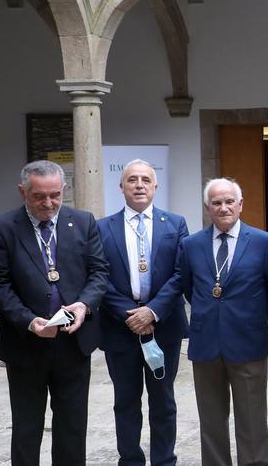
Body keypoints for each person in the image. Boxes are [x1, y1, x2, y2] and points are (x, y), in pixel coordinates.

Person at [0, 160, 109, 465]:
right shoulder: (1, 228)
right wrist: (29, 321)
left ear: (64, 190)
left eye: (55, 195)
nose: (49, 203)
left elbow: (99, 272)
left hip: (72, 341)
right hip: (26, 343)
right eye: (39, 196)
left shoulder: (83, 222)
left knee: (72, 425)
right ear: (22, 191)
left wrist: (83, 305)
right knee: (27, 426)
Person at [154, 177, 268, 466]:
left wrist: (247, 318)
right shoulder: (191, 244)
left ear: (240, 205)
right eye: (217, 202)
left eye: (229, 201)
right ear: (208, 207)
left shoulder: (264, 242)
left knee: (252, 423)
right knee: (211, 423)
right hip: (206, 343)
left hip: (247, 343)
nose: (223, 208)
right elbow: (188, 287)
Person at [98, 159, 189, 466]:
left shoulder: (175, 224)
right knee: (125, 401)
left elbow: (180, 274)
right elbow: (99, 276)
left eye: (145, 180)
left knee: (163, 400)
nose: (139, 185)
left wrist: (152, 312)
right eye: (132, 180)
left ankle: (164, 461)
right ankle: (131, 460)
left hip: (163, 328)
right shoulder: (101, 228)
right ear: (121, 186)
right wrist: (130, 315)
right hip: (119, 327)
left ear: (155, 186)